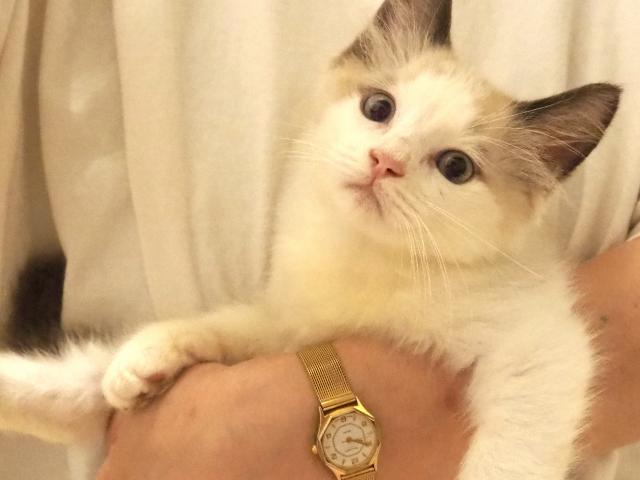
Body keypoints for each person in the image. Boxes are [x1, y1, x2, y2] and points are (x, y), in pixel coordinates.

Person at [0, 1, 638, 479]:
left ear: (528, 196)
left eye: (453, 166)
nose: (387, 157)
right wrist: (206, 341)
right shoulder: (317, 236)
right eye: (379, 109)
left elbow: (546, 364)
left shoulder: (477, 291)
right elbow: (289, 333)